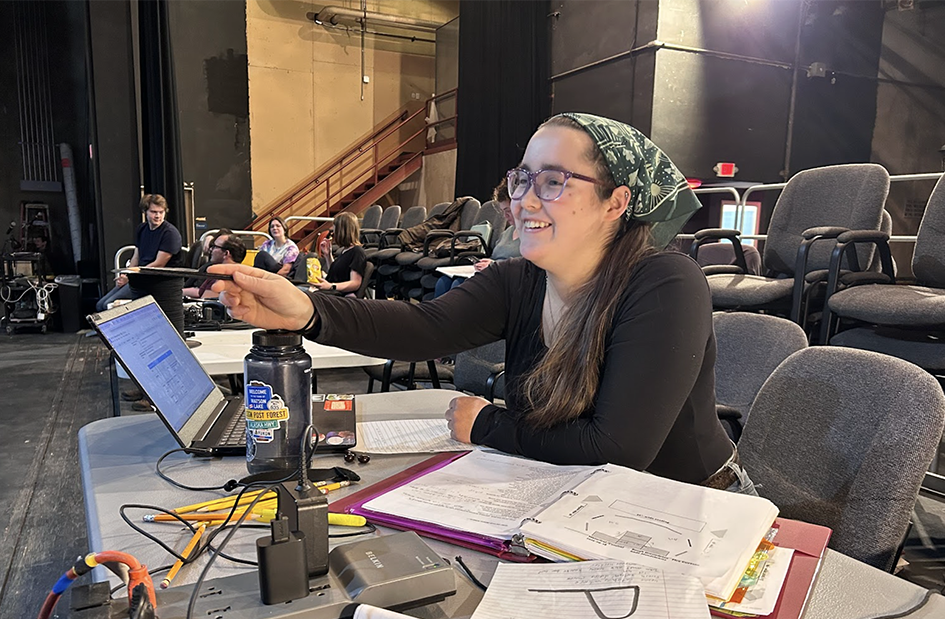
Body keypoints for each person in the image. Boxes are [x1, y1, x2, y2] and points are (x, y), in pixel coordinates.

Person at [212, 113, 752, 491]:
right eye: (522, 179)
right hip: (581, 497)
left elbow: (618, 446)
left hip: (692, 508)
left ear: (617, 203)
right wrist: (307, 310)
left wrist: (486, 424)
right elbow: (423, 328)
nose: (526, 200)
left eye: (555, 181)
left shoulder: (664, 284)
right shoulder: (520, 281)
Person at [433, 176, 522, 298]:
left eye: (508, 210)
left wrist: (494, 265)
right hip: (492, 272)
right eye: (503, 211)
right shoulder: (508, 232)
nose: (506, 216)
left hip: (506, 279)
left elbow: (525, 267)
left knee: (458, 285)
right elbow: (494, 257)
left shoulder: (531, 235)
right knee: (442, 282)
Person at [96, 194, 183, 311]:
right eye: (153, 212)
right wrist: (127, 275)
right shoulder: (142, 229)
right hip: (139, 277)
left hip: (156, 281)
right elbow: (136, 257)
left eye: (161, 212)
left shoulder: (170, 233)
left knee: (108, 305)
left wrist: (132, 277)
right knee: (100, 305)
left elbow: (159, 264)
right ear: (145, 212)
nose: (158, 216)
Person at [314, 212, 366, 295]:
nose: (333, 232)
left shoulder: (357, 252)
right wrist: (328, 255)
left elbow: (355, 283)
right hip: (330, 293)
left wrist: (331, 286)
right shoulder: (344, 251)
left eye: (334, 229)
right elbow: (335, 275)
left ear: (342, 231)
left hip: (338, 296)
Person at [183, 234, 246, 299]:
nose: (210, 249)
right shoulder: (221, 272)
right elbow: (200, 292)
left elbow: (207, 302)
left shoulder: (223, 277)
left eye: (215, 247)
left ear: (226, 253)